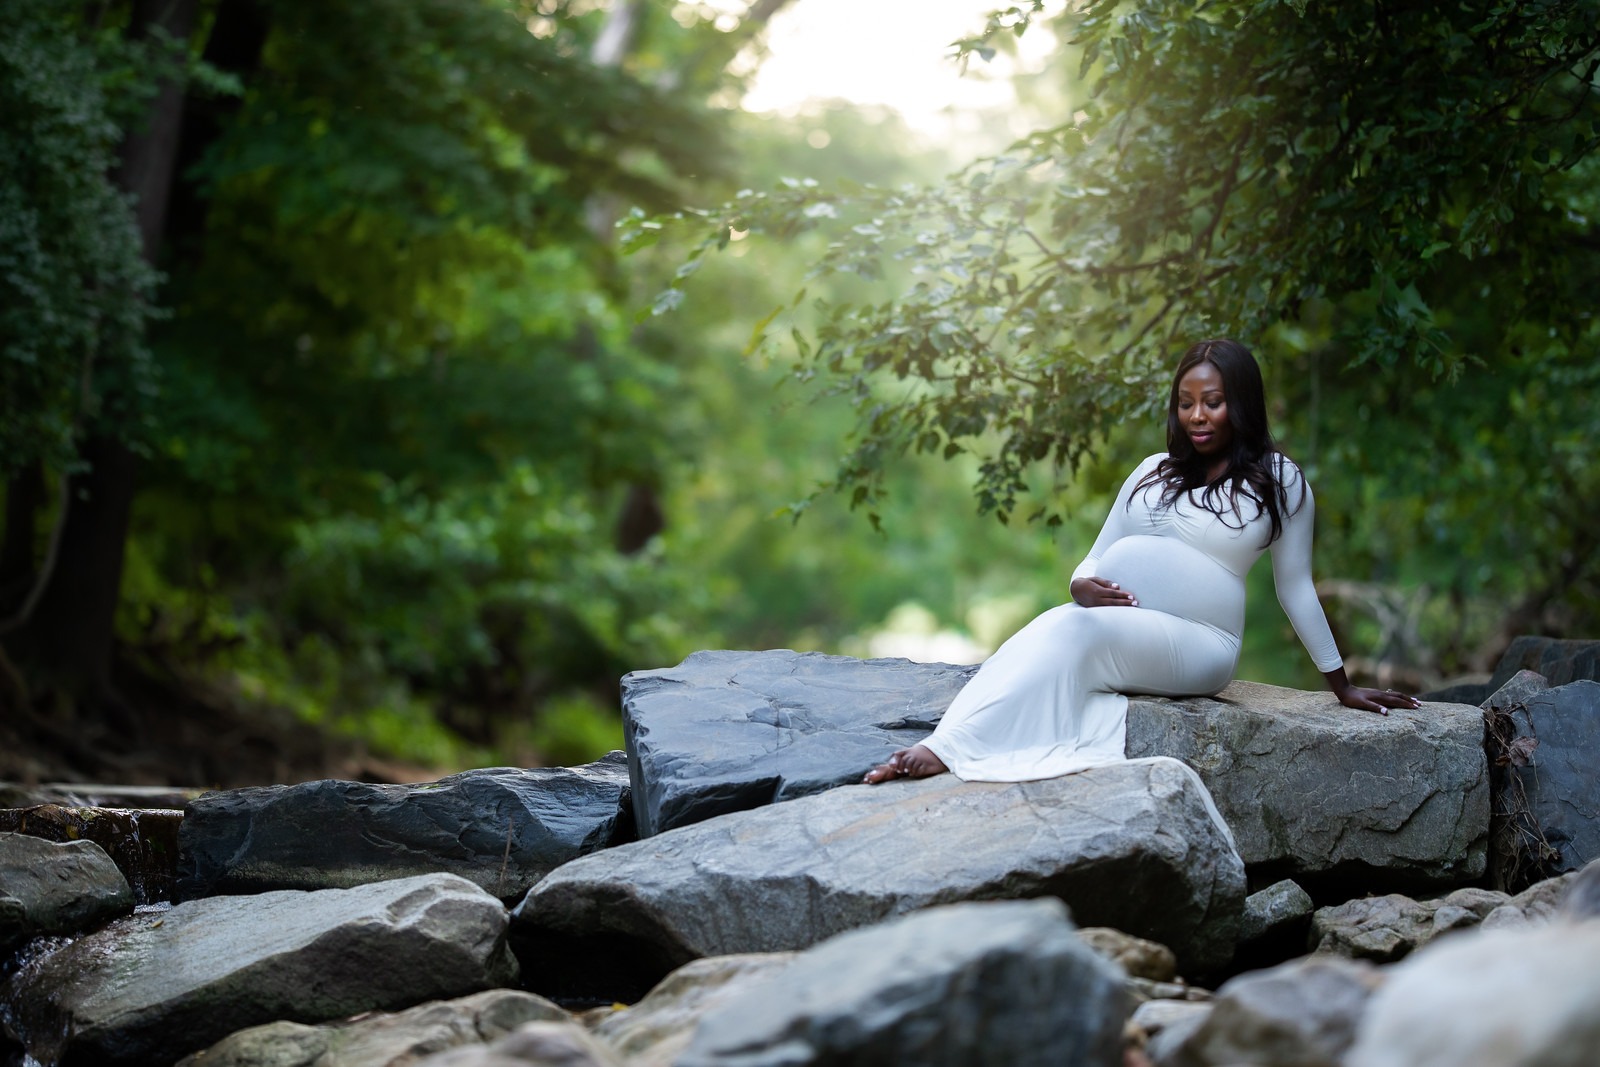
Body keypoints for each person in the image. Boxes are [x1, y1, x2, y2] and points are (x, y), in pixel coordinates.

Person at [864, 338, 1421, 785]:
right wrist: (1080, 584)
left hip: (1204, 644)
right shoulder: (1153, 470)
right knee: (1053, 624)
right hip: (1127, 625)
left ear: (1242, 404)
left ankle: (952, 751)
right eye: (1186, 403)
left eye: (1213, 402)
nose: (1197, 415)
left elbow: (1295, 588)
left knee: (1075, 636)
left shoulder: (1279, 482)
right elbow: (1096, 555)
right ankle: (947, 742)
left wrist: (1341, 686)